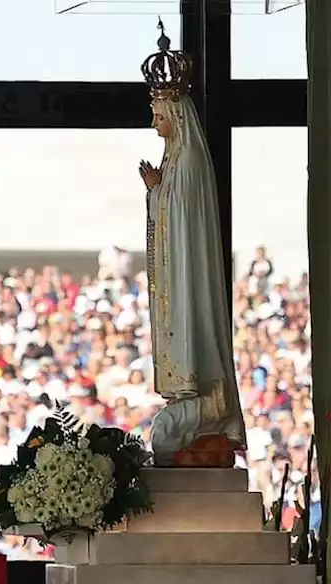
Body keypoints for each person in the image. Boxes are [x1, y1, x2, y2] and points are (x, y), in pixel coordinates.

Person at [138, 22, 246, 467]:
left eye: (159, 114)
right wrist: (156, 189)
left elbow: (185, 215)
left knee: (165, 434)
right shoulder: (175, 160)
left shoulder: (191, 160)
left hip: (187, 271)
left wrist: (159, 191)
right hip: (173, 267)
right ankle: (197, 401)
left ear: (176, 115)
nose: (154, 121)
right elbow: (171, 209)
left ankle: (206, 398)